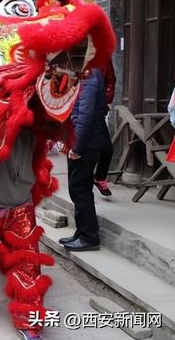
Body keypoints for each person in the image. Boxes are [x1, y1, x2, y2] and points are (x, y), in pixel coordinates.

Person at [62, 68, 109, 252]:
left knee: (79, 188)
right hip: (85, 139)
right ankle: (81, 232)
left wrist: (76, 145)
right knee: (79, 187)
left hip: (86, 142)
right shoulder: (84, 72)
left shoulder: (89, 74)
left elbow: (85, 114)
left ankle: (89, 237)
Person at [93, 59, 116, 197]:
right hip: (78, 110)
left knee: (107, 149)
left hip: (97, 110)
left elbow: (111, 80)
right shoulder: (75, 54)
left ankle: (99, 177)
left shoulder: (105, 57)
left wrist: (107, 100)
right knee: (80, 152)